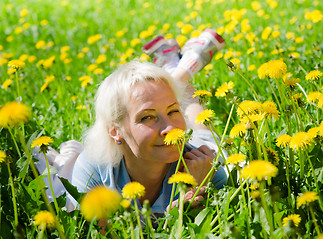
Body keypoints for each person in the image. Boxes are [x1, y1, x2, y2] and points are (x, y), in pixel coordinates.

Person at [35, 28, 228, 215]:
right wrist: (175, 216)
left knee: (200, 122)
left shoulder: (206, 168)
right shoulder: (95, 171)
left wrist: (199, 189)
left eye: (174, 111)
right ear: (114, 131)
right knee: (169, 96)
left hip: (202, 144)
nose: (170, 127)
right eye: (147, 117)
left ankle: (174, 65)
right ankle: (178, 63)